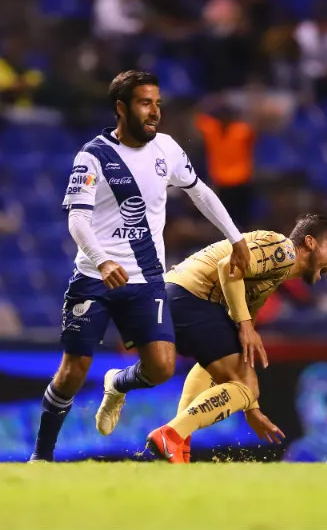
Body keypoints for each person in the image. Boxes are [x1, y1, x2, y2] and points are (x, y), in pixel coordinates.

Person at [30, 70, 251, 462]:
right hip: (94, 278)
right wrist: (102, 260)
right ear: (121, 107)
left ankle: (118, 383)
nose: (154, 112)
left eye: (157, 104)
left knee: (163, 368)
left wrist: (235, 238)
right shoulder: (92, 156)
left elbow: (199, 191)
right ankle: (42, 457)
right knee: (73, 370)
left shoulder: (166, 148)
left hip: (147, 280)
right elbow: (77, 220)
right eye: (145, 103)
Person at [146, 214, 327, 463]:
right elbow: (229, 266)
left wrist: (251, 408)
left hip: (173, 296)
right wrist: (247, 326)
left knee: (221, 371)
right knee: (245, 384)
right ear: (311, 243)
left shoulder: (272, 277)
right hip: (190, 297)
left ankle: (179, 442)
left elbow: (239, 340)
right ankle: (172, 435)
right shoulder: (283, 250)